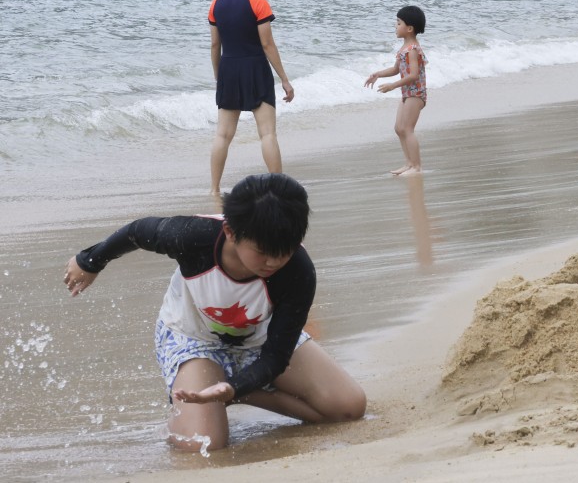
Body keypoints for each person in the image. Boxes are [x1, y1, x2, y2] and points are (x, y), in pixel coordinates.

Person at [62, 173, 367, 452]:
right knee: (204, 445)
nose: (273, 262)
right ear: (231, 232)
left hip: (259, 339)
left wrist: (234, 387)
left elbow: (275, 356)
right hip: (193, 338)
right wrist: (90, 261)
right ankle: (199, 399)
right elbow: (138, 232)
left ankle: (238, 391)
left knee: (349, 408)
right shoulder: (193, 237)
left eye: (284, 251)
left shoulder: (298, 272)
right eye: (262, 251)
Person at [209, 0, 295, 196]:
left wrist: (219, 77)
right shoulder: (258, 2)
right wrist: (285, 80)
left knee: (222, 135)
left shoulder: (217, 2)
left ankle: (214, 189)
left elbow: (215, 46)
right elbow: (267, 44)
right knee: (267, 133)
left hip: (228, 68)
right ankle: (278, 188)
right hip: (255, 68)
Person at [365, 5, 428, 176]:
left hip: (416, 93)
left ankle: (416, 166)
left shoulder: (412, 49)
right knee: (399, 128)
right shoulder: (404, 49)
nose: (395, 26)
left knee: (407, 129)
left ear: (409, 28)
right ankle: (409, 164)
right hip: (407, 93)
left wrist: (393, 85)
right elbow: (395, 70)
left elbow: (414, 75)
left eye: (398, 23)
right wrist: (378, 74)